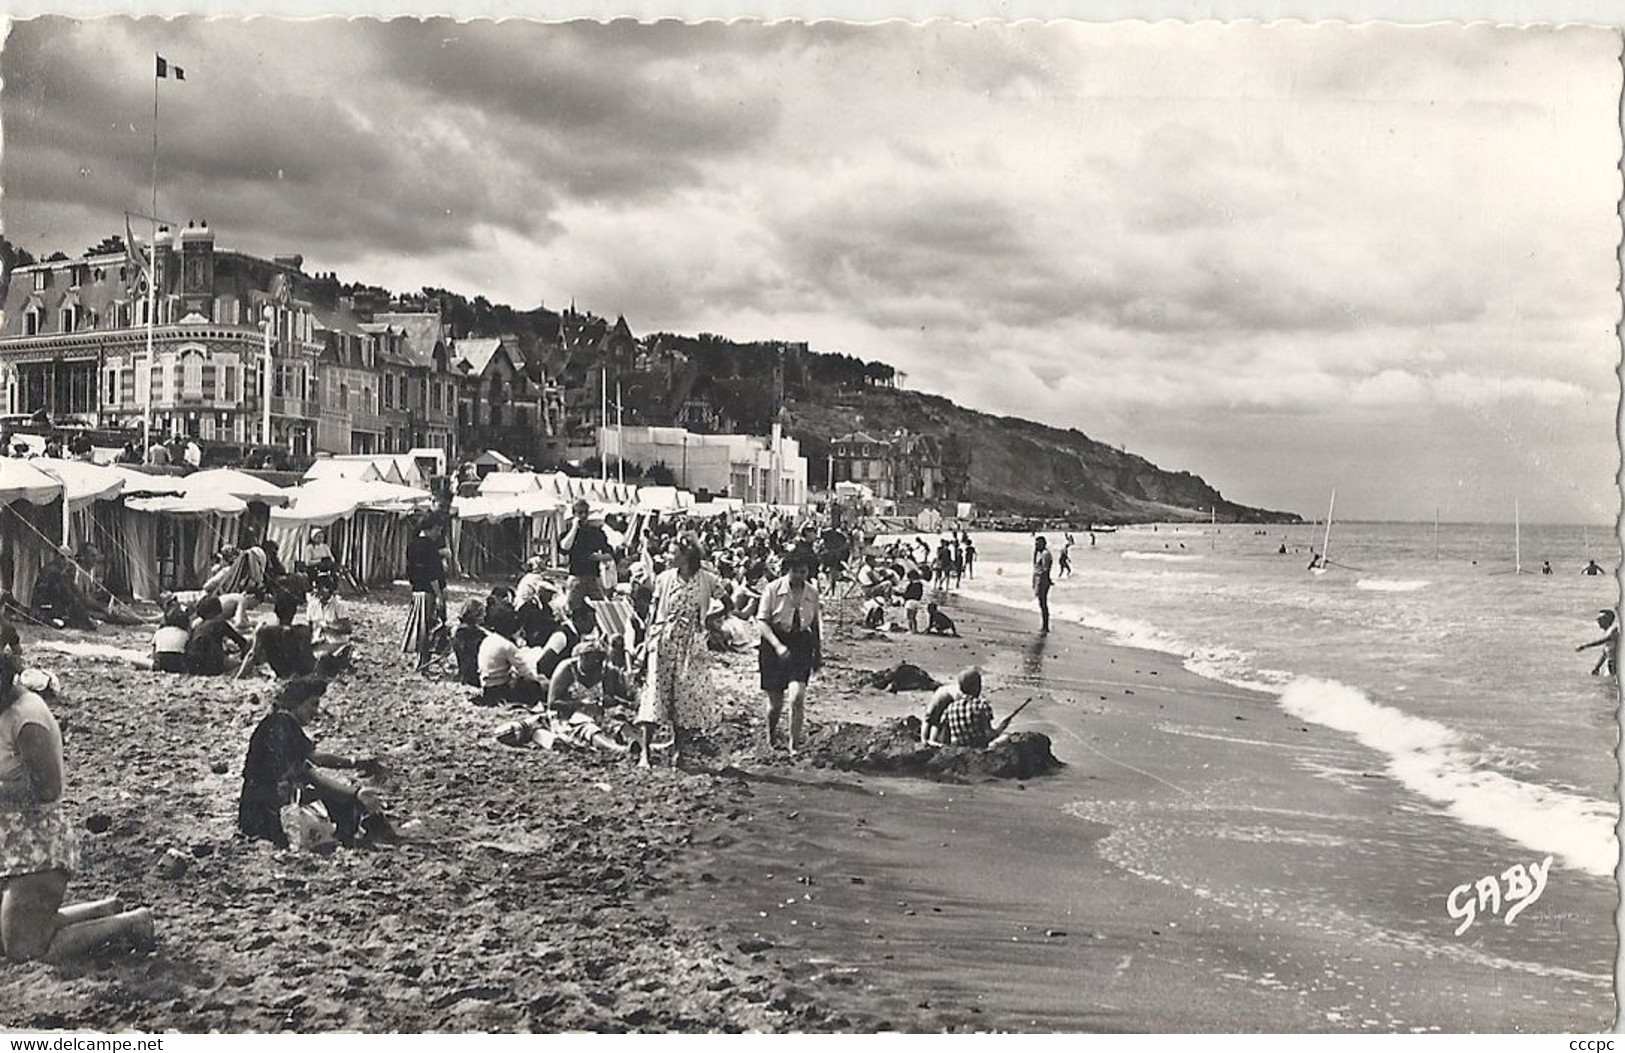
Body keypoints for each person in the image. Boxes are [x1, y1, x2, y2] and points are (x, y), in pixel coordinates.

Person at [0, 653, 154, 961]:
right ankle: (103, 911)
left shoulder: (25, 719)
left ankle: (129, 924)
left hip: (36, 848)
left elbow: (48, 790)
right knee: (13, 933)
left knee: (25, 949)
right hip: (14, 845)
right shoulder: (8, 710)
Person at [237, 677, 390, 849]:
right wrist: (356, 767)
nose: (316, 712)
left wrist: (355, 792)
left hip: (253, 813)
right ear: (296, 702)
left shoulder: (279, 727)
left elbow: (313, 777)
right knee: (338, 801)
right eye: (313, 704)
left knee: (339, 796)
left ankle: (353, 836)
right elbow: (318, 760)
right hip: (268, 810)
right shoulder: (284, 722)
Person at [635, 534, 722, 768]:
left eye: (672, 553)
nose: (667, 556)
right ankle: (645, 754)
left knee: (684, 697)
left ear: (686, 555)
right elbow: (652, 614)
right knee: (654, 694)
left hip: (690, 644)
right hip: (663, 640)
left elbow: (727, 602)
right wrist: (645, 644)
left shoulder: (708, 580)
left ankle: (679, 752)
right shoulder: (663, 579)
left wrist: (706, 621)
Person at [756, 544, 821, 754]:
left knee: (797, 697)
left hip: (801, 643)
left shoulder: (812, 592)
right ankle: (772, 733)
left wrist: (818, 652)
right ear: (787, 569)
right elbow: (762, 622)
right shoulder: (773, 589)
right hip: (774, 642)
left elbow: (814, 623)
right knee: (775, 703)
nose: (799, 576)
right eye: (795, 571)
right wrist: (777, 646)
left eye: (803, 572)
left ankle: (794, 745)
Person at [921, 667, 1016, 748]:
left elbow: (936, 723)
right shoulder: (981, 705)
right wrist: (1001, 727)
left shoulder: (950, 707)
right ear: (978, 687)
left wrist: (928, 741)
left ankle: (932, 741)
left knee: (940, 727)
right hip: (978, 745)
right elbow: (988, 733)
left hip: (957, 746)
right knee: (1005, 737)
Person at [237, 591, 317, 680]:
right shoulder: (303, 631)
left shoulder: (264, 631)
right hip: (299, 676)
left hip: (280, 674)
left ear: (275, 611)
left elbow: (252, 656)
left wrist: (238, 678)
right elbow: (307, 660)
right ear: (294, 612)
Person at [477, 603, 541, 707]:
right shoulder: (507, 646)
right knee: (534, 686)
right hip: (501, 689)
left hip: (487, 687)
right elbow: (526, 672)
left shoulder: (487, 640)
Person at [559, 499, 614, 618]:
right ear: (574, 514)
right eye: (579, 513)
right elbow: (564, 548)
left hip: (593, 576)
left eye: (585, 512)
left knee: (601, 610)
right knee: (572, 610)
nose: (583, 516)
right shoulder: (569, 532)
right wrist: (574, 527)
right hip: (577, 577)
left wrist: (598, 557)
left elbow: (610, 554)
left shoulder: (595, 532)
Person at [402, 521, 446, 669]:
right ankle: (423, 662)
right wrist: (439, 595)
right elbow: (432, 574)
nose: (438, 534)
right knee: (429, 629)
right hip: (429, 591)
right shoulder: (429, 546)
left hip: (417, 590)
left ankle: (420, 661)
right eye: (437, 530)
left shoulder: (412, 545)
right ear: (429, 529)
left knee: (420, 628)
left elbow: (411, 570)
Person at [186, 594, 249, 676]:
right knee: (239, 664)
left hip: (193, 666)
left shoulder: (197, 626)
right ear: (219, 610)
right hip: (213, 666)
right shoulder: (221, 623)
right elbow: (241, 642)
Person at [137, 607, 191, 674]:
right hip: (178, 664)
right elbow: (188, 650)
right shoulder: (185, 634)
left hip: (161, 663)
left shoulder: (159, 632)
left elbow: (154, 652)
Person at [451, 599, 487, 689]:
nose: (485, 616)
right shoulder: (477, 634)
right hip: (476, 676)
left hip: (464, 673)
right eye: (482, 614)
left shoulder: (458, 632)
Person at [1576, 609, 1619, 676]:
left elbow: (1601, 641)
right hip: (1611, 664)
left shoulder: (1614, 630)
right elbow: (1605, 654)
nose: (1598, 621)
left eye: (1600, 619)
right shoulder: (1607, 632)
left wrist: (1585, 646)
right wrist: (1597, 667)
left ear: (1607, 620)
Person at [1032, 535, 1054, 633]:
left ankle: (1045, 626)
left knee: (1043, 603)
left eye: (1038, 544)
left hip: (1042, 580)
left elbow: (1046, 569)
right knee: (1041, 603)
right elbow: (1035, 566)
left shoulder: (1045, 554)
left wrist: (1044, 581)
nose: (1036, 545)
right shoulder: (1040, 553)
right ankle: (1044, 625)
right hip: (1039, 579)